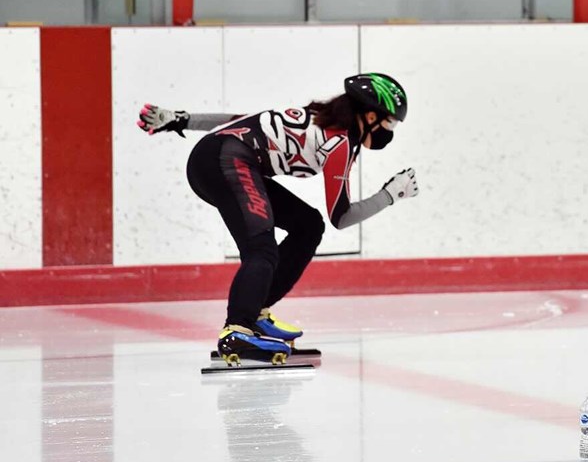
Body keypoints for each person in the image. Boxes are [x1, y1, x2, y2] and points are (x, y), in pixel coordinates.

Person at [138, 73, 419, 363]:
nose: (390, 131)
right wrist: (390, 194)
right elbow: (341, 216)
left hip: (217, 157)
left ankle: (255, 313)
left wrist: (182, 119)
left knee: (308, 225)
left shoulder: (317, 116)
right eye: (390, 122)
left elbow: (239, 120)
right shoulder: (341, 142)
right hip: (226, 161)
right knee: (261, 248)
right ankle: (237, 330)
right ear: (370, 115)